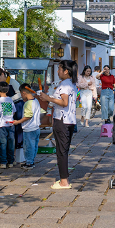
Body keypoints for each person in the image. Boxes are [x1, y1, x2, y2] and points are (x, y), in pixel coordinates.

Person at [39, 59, 77, 189]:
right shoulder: (71, 83)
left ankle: (64, 182)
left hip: (62, 120)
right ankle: (63, 179)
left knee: (61, 151)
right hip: (69, 120)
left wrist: (48, 98)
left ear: (66, 71)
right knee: (63, 150)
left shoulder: (65, 85)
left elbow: (64, 102)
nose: (58, 71)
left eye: (60, 69)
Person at [15, 84, 42, 168]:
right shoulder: (36, 101)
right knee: (34, 146)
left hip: (29, 129)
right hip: (36, 128)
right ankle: (31, 160)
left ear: (23, 93)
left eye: (21, 93)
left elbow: (28, 116)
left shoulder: (27, 104)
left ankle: (29, 163)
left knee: (28, 147)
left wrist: (18, 122)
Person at [0, 82, 16, 168]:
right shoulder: (10, 99)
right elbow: (14, 111)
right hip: (10, 124)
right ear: (7, 90)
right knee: (11, 144)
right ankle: (11, 161)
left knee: (3, 144)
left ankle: (3, 162)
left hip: (2, 125)